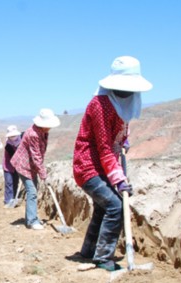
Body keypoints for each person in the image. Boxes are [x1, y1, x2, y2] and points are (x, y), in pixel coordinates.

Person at [71, 56, 152, 271]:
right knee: (115, 206)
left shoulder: (123, 104)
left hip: (103, 166)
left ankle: (88, 251)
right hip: (88, 166)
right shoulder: (100, 104)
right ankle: (103, 258)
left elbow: (120, 129)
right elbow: (104, 148)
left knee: (102, 207)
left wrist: (124, 140)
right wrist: (119, 179)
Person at [11, 108, 60, 230]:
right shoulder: (33, 134)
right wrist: (43, 175)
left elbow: (39, 154)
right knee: (32, 191)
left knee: (34, 189)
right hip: (23, 165)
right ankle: (32, 221)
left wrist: (40, 171)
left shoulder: (43, 131)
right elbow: (36, 155)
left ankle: (31, 217)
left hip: (31, 166)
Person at [2, 125, 21, 206]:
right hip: (8, 166)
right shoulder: (8, 145)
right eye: (11, 136)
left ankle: (14, 198)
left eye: (14, 135)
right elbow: (13, 157)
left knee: (15, 182)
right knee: (9, 183)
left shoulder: (21, 140)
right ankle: (8, 201)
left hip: (17, 166)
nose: (13, 137)